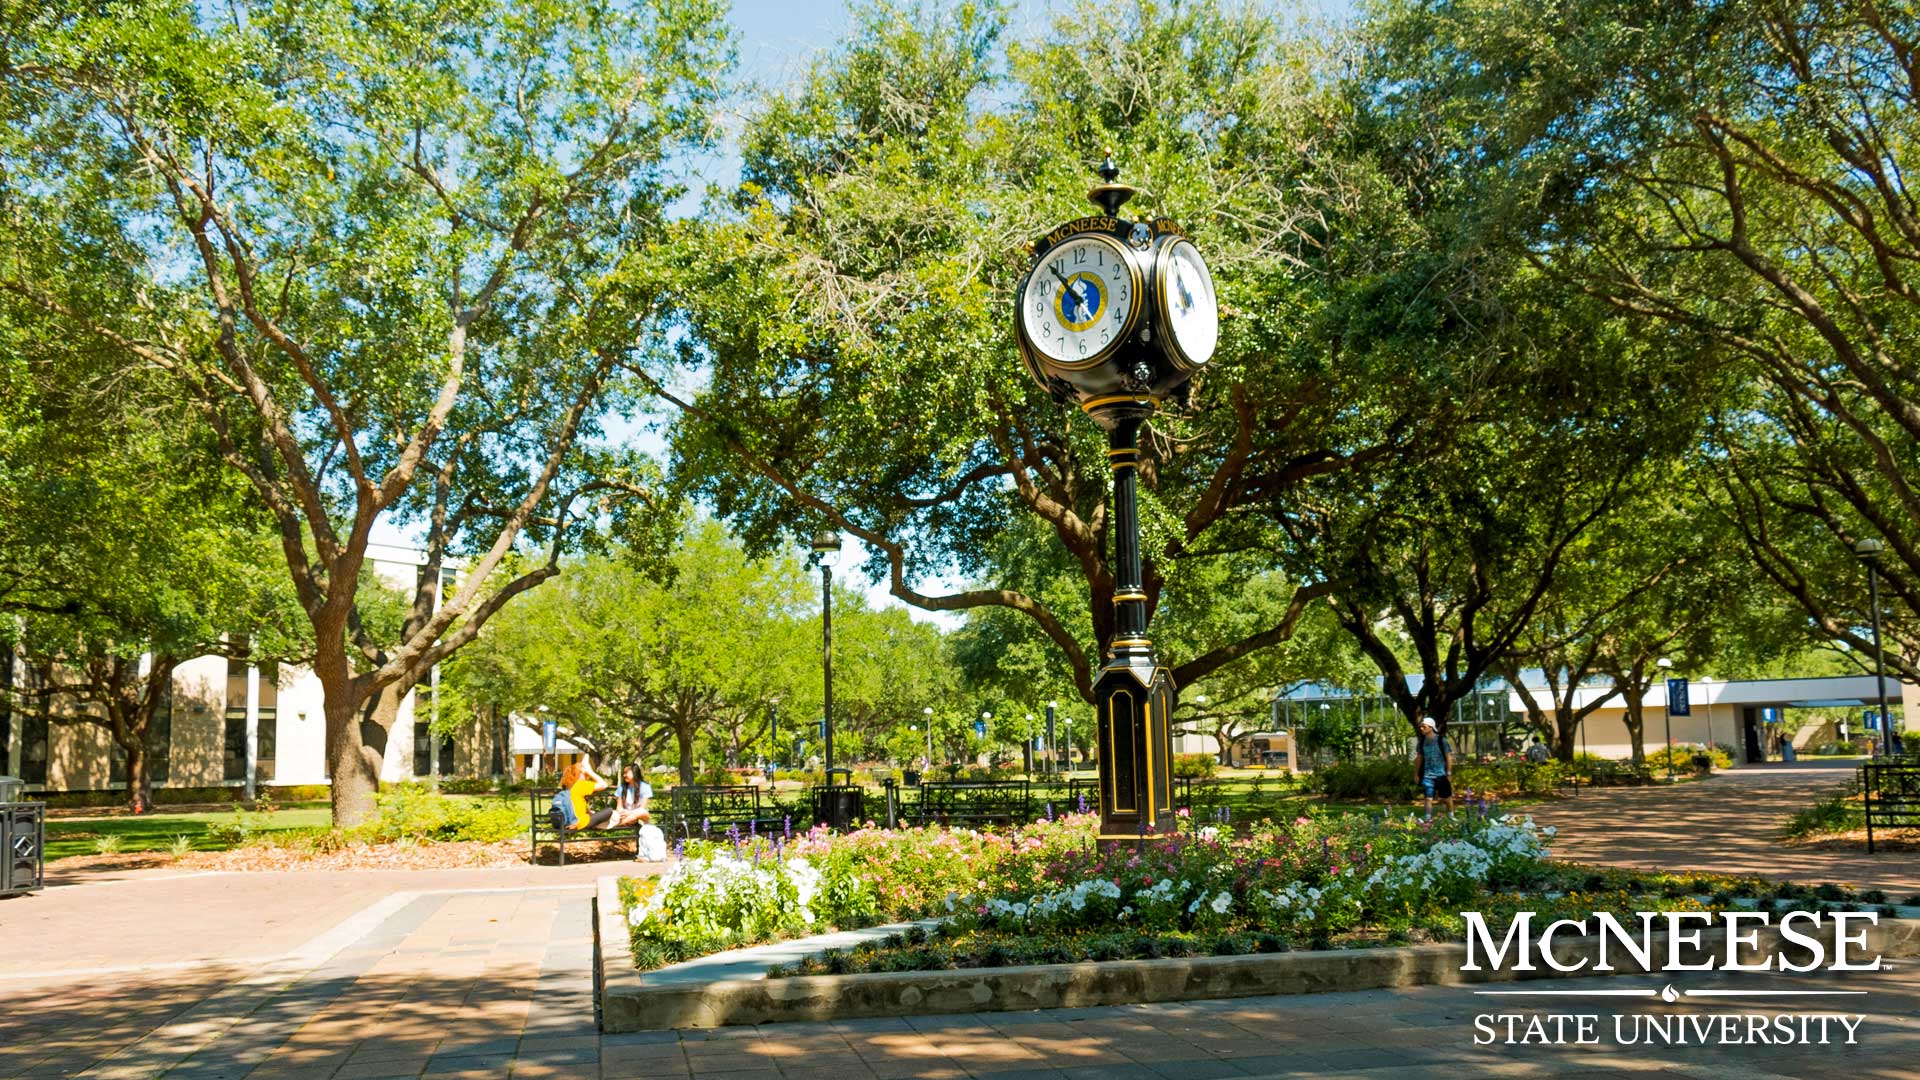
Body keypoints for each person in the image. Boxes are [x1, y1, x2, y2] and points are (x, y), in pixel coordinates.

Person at [563, 760, 616, 831]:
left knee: (598, 815)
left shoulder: (571, 786)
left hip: (572, 822)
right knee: (611, 811)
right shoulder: (580, 784)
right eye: (586, 774)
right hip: (581, 823)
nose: (587, 777)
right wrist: (590, 771)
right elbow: (604, 784)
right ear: (580, 773)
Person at [1417, 718, 1454, 819]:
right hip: (1427, 775)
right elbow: (1419, 758)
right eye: (1421, 726)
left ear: (1431, 727)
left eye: (1423, 726)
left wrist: (1449, 773)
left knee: (1447, 798)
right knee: (1428, 798)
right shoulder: (1421, 742)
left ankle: (1451, 816)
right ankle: (1427, 817)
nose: (1421, 728)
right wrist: (1416, 773)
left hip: (1441, 774)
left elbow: (1449, 757)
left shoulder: (1441, 740)